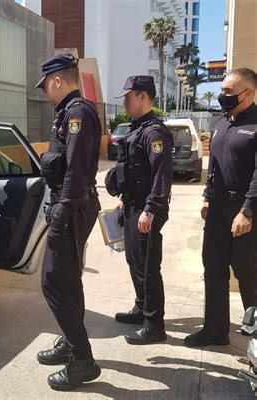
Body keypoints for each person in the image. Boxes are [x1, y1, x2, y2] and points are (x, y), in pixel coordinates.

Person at [35, 53, 102, 391]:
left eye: (46, 84)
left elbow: (75, 171)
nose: (45, 91)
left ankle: (83, 360)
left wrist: (61, 213)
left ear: (57, 80)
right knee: (69, 279)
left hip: (72, 208)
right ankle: (70, 340)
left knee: (53, 282)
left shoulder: (76, 114)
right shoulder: (69, 113)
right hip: (72, 205)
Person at [185, 68, 257, 347]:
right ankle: (215, 330)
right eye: (223, 90)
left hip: (244, 208)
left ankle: (254, 335)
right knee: (213, 269)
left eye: (228, 91)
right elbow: (213, 163)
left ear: (248, 93)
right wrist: (206, 197)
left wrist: (248, 210)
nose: (222, 95)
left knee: (246, 272)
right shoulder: (221, 122)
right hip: (217, 208)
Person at [109, 76, 173, 345]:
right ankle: (141, 308)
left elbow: (161, 174)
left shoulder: (153, 132)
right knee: (134, 261)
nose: (124, 102)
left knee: (147, 266)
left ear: (143, 96)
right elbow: (135, 171)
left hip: (147, 209)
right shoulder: (138, 128)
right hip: (134, 204)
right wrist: (125, 197)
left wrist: (150, 209)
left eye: (127, 97)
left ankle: (154, 324)